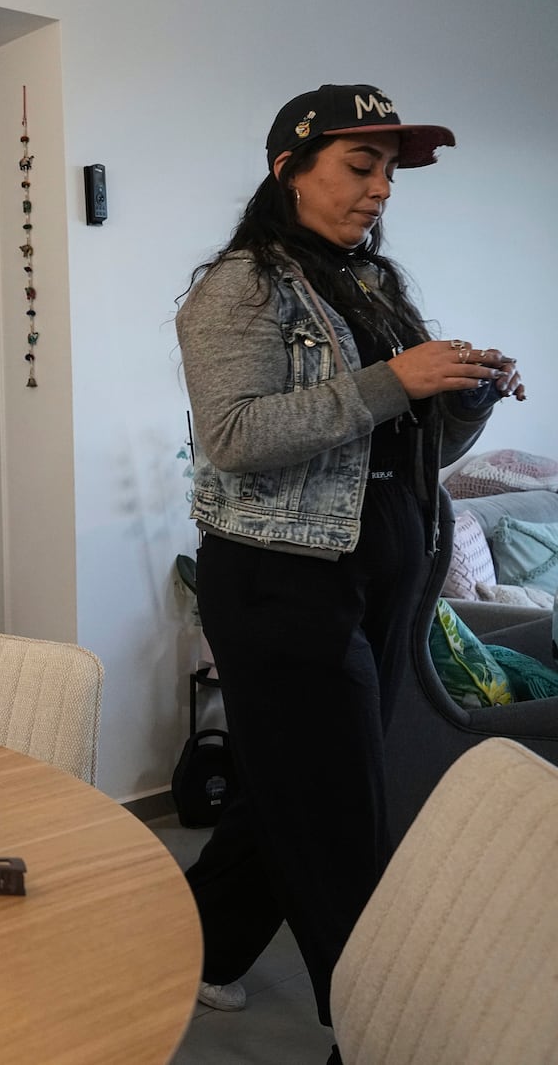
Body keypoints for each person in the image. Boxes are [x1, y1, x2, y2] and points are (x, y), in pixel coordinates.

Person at [175, 85, 525, 1057]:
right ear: (289, 166)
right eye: (357, 167)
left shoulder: (371, 286)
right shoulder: (237, 286)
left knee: (284, 794)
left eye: (386, 174)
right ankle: (377, 1031)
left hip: (375, 581)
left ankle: (196, 945)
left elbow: (415, 447)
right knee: (343, 831)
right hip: (283, 589)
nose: (377, 191)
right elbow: (234, 435)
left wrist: (469, 394)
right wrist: (395, 377)